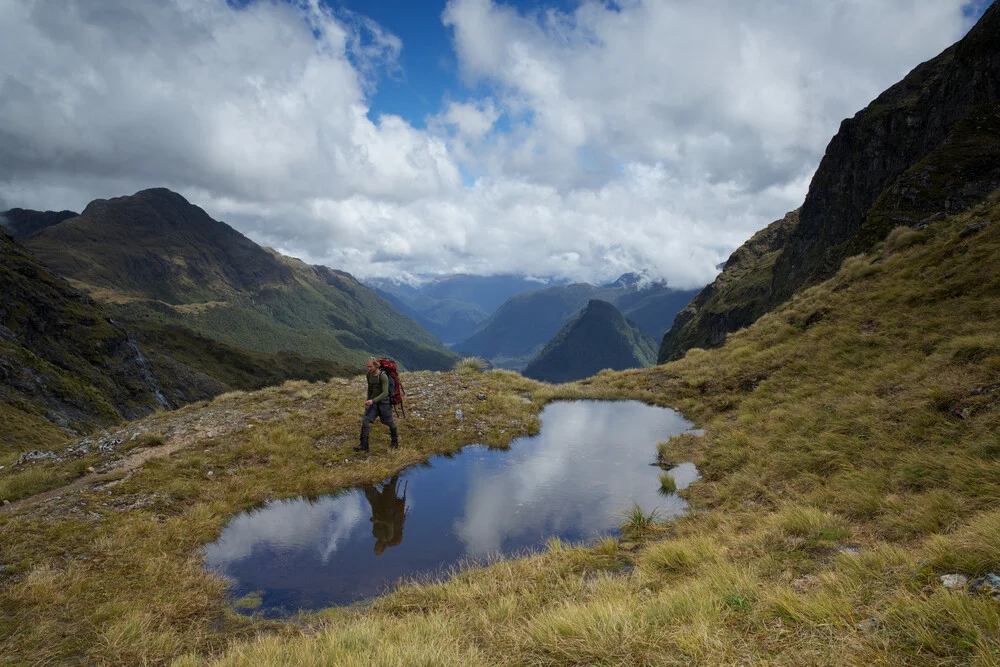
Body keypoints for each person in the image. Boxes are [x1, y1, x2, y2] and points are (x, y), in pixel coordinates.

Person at [355, 356, 399, 452]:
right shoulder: (369, 375)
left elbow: (385, 393)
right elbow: (370, 388)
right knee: (365, 420)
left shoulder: (383, 376)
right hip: (373, 402)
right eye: (367, 366)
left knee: (390, 423)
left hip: (385, 403)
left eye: (370, 367)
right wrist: (368, 400)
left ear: (376, 366)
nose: (368, 368)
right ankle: (364, 446)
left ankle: (395, 443)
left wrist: (372, 401)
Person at [362, 475, 408, 555]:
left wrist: (375, 520)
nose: (375, 545)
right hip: (388, 509)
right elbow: (390, 524)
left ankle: (366, 475)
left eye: (375, 547)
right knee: (390, 487)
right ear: (382, 547)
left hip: (377, 507)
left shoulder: (375, 533)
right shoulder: (388, 537)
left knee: (369, 492)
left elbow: (376, 520)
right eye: (377, 548)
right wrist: (378, 521)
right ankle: (396, 471)